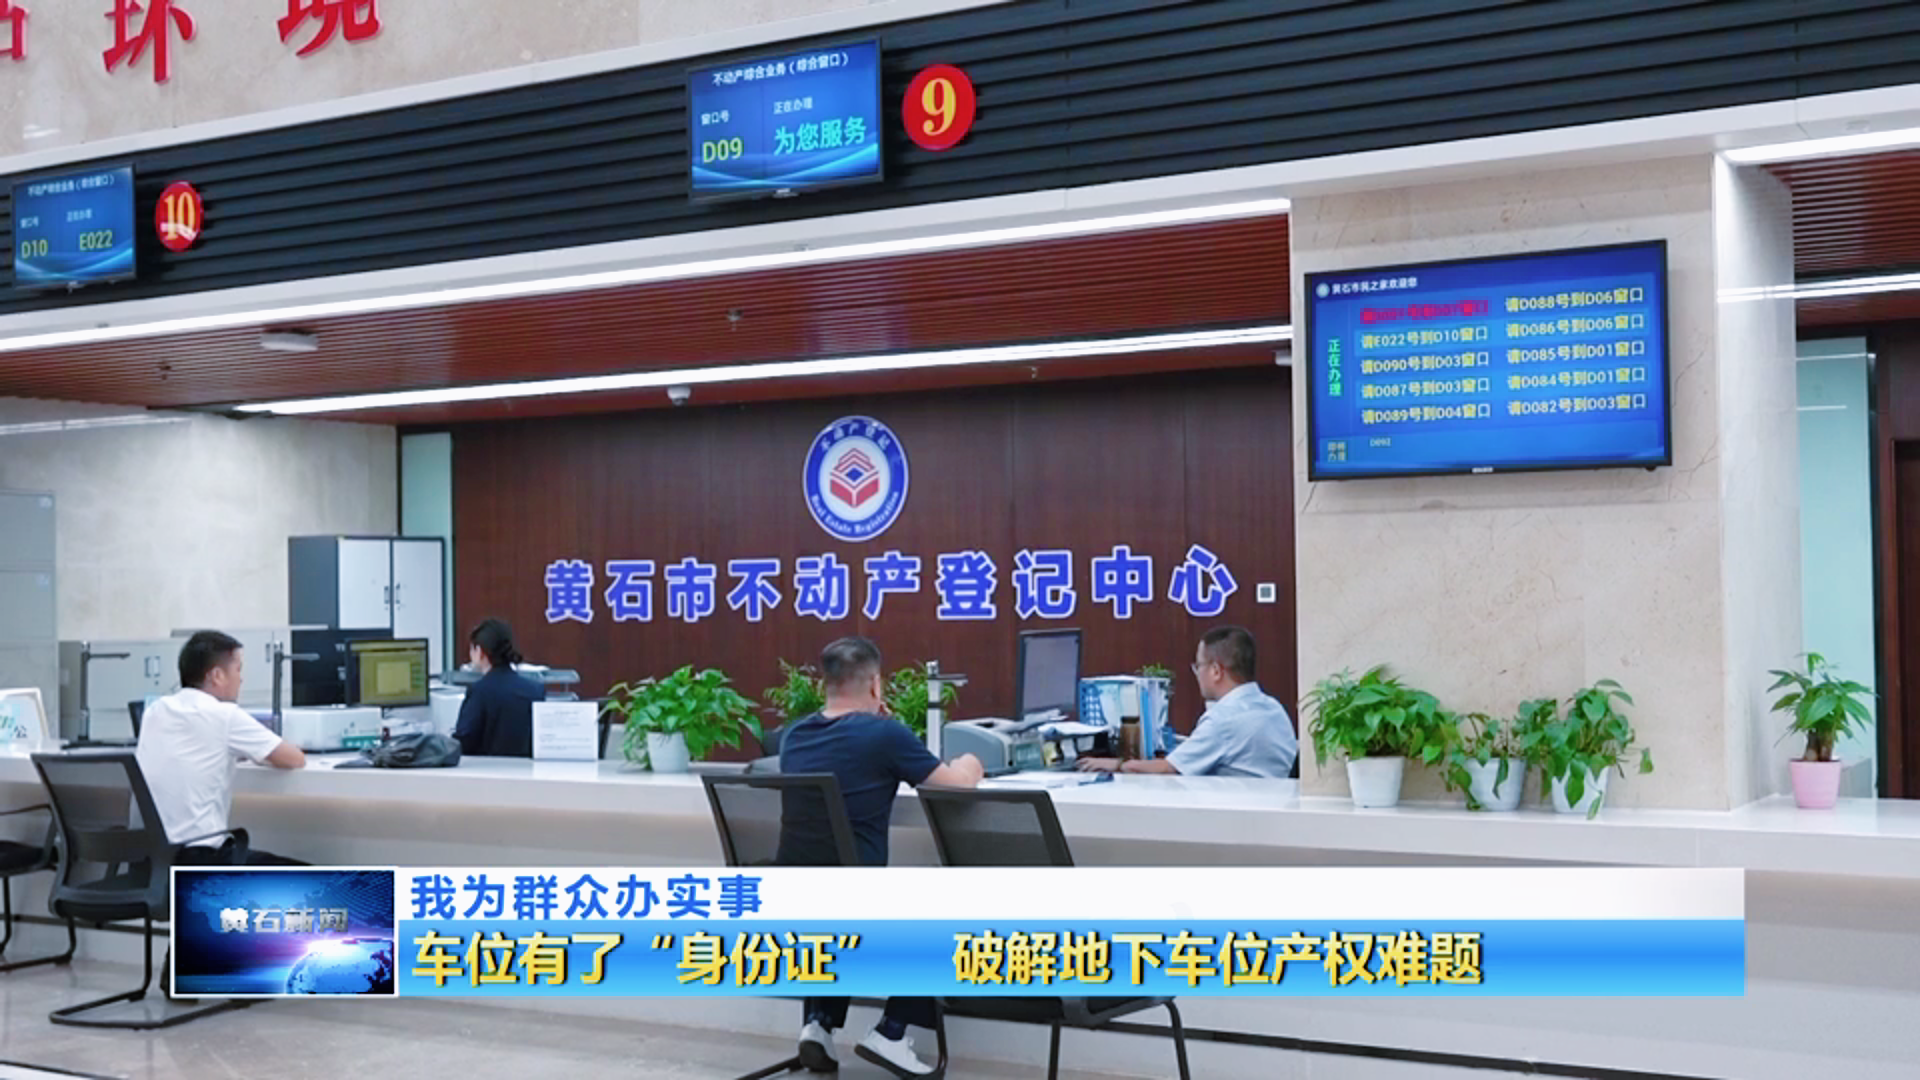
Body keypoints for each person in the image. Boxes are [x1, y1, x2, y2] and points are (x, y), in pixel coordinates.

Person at [779, 636, 984, 1078]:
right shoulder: (884, 735)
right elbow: (957, 787)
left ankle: (819, 1024)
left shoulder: (794, 736)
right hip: (856, 901)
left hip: (793, 901)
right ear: (875, 684)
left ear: (825, 684)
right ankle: (891, 1033)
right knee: (946, 903)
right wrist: (972, 761)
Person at [135, 630, 307, 865]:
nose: (241, 679)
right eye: (238, 670)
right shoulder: (224, 715)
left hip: (150, 863)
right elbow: (294, 759)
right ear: (216, 676)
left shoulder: (156, 710)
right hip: (201, 860)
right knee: (330, 881)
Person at [1077, 626, 1297, 778]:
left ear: (1216, 671)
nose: (1197, 674)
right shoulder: (1273, 708)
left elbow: (1166, 770)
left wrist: (1115, 764)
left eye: (1198, 666)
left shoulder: (1224, 720)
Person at [453, 618, 546, 757]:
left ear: (479, 651)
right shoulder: (535, 690)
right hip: (527, 769)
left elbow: (465, 741)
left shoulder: (479, 691)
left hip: (487, 768)